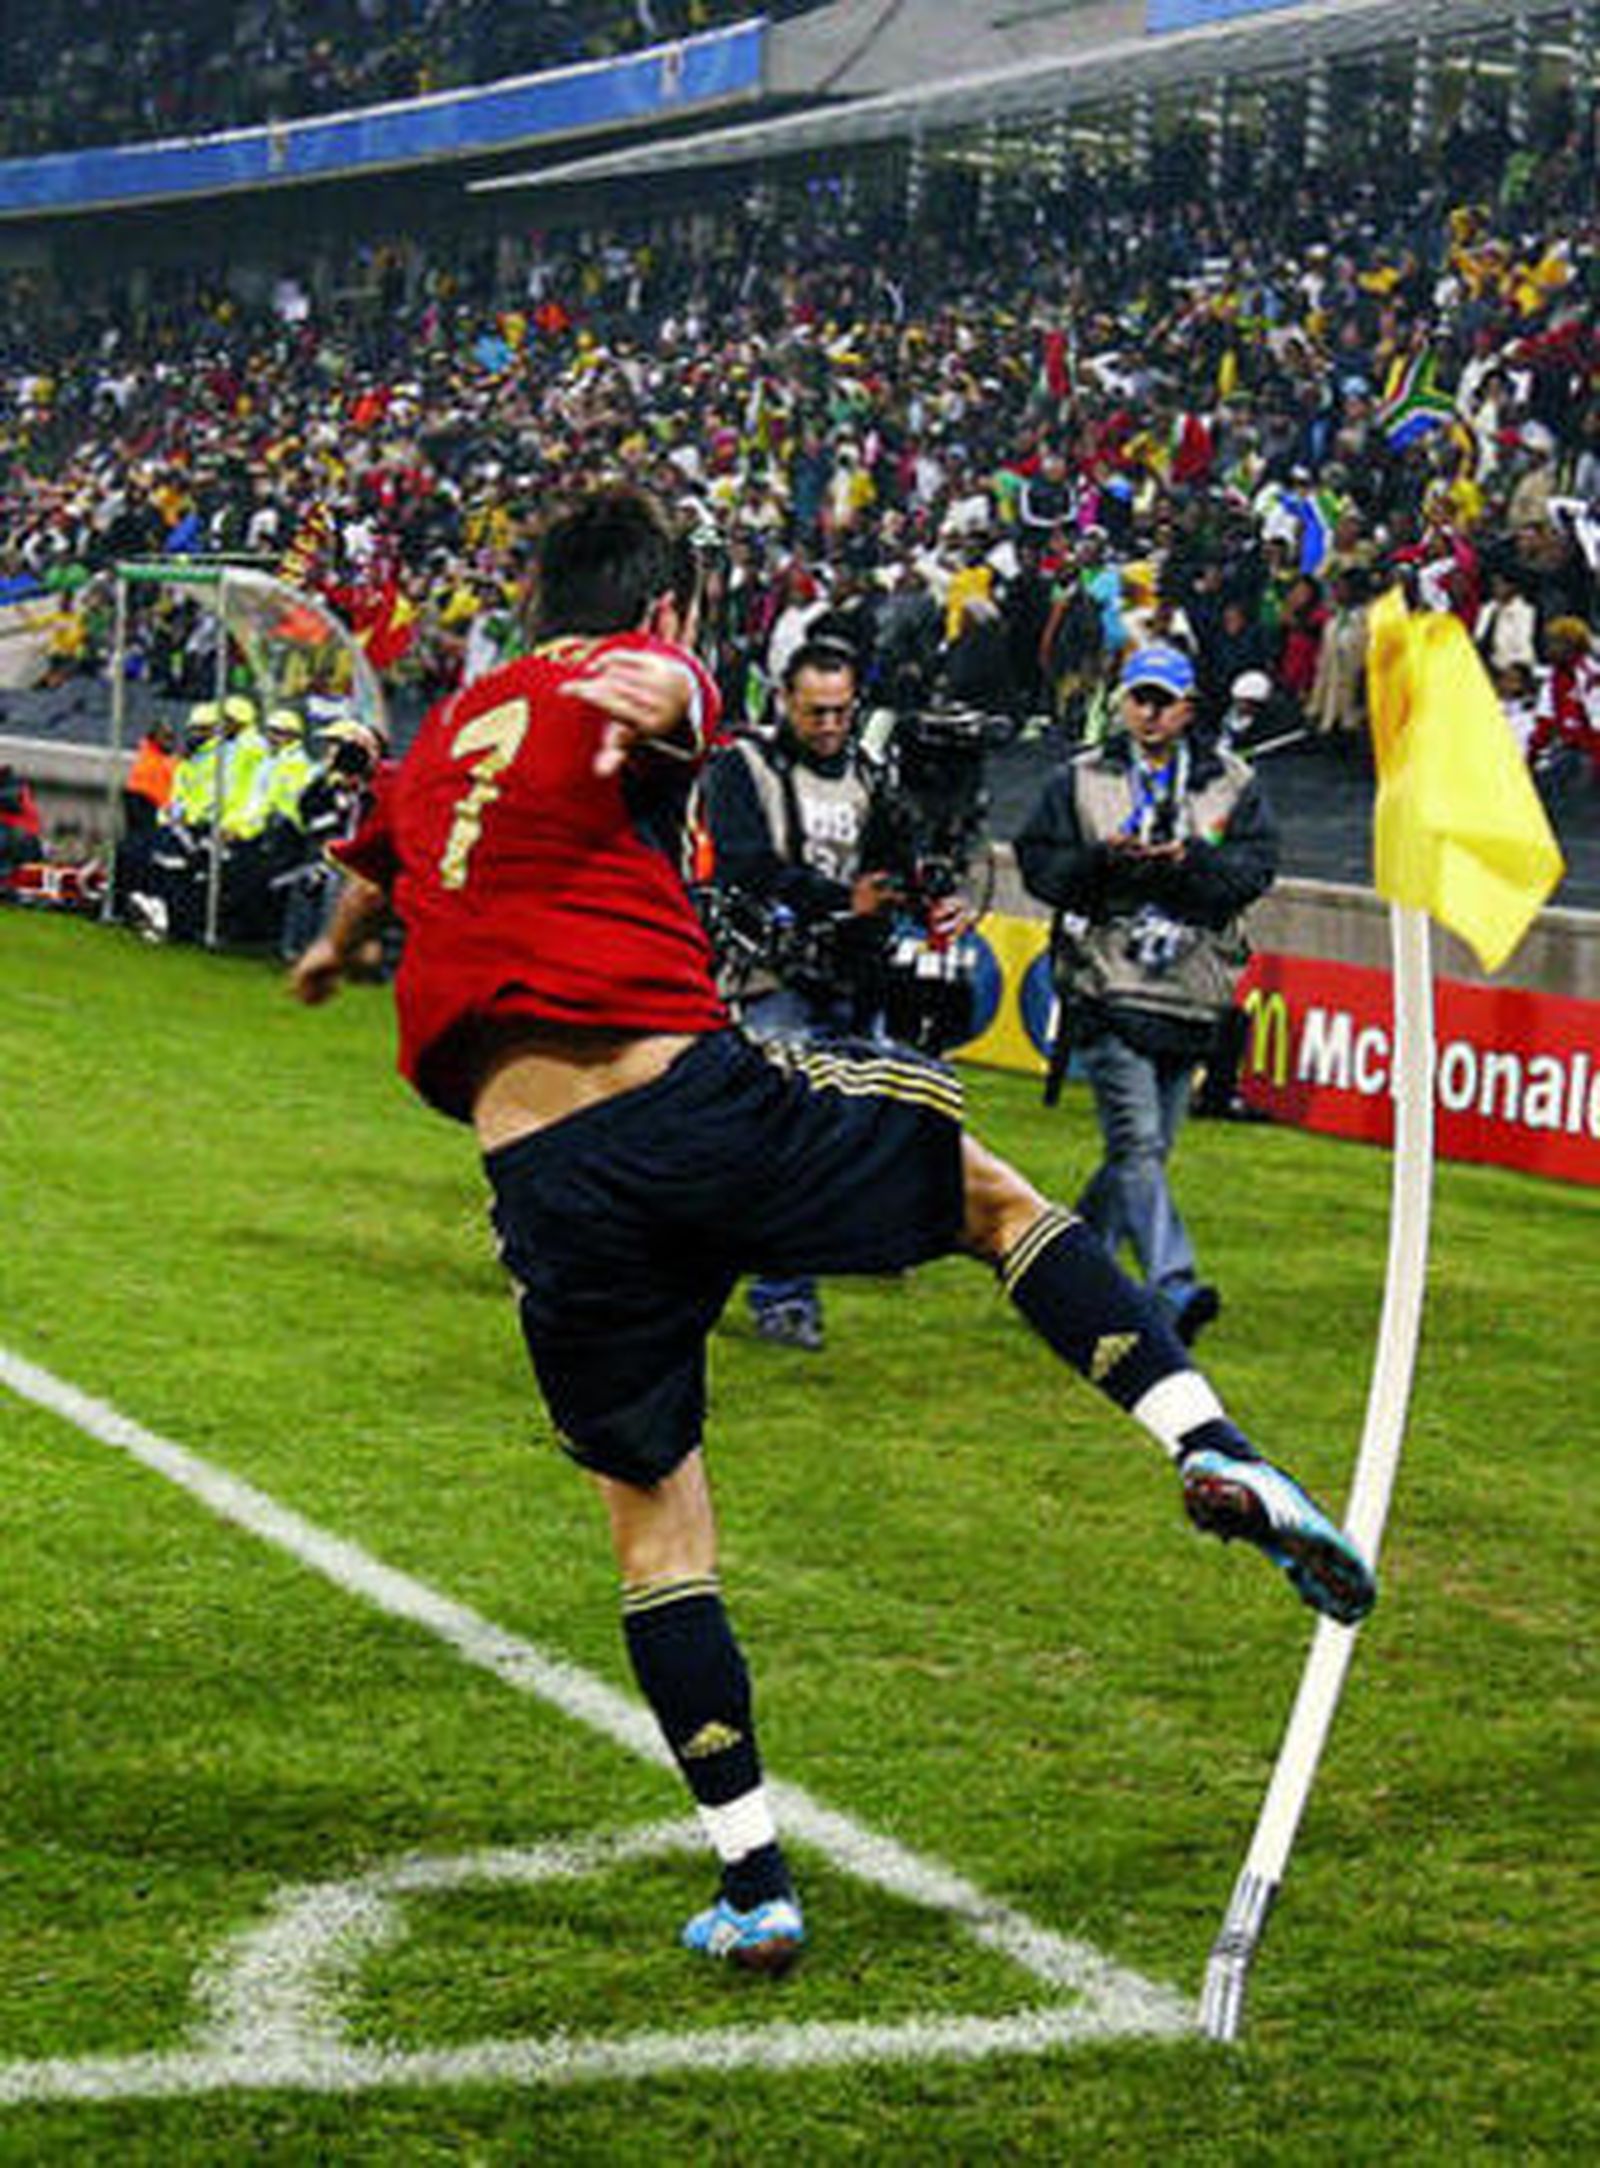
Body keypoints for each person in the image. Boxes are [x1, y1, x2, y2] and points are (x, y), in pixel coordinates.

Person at [290, 488, 1373, 1980]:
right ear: (663, 603)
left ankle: (756, 1882)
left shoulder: (450, 741)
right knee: (991, 1196)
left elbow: (372, 875)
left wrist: (336, 957)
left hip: (546, 1187)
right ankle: (1209, 1444)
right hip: (687, 1103)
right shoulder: (639, 673)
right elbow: (657, 695)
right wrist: (650, 679)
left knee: (657, 1522)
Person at [1014, 642, 1279, 1345]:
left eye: (1163, 700)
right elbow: (1039, 864)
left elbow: (1254, 871)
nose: (1150, 712)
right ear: (1121, 702)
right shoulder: (1079, 778)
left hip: (1193, 989)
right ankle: (1171, 1286)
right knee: (1136, 1142)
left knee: (1145, 1154)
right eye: (1139, 698)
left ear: (1189, 707)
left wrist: (1189, 861)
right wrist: (1104, 863)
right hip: (1109, 984)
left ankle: (1061, 1272)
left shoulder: (1233, 780)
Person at [697, 637, 909, 1352]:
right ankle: (783, 1293)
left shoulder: (872, 776)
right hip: (770, 979)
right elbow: (743, 864)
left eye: (841, 712)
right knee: (785, 1142)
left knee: (830, 1140)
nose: (828, 726)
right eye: (815, 711)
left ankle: (691, 1260)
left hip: (852, 977)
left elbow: (892, 862)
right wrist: (841, 898)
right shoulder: (742, 767)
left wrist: (911, 892)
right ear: (784, 699)